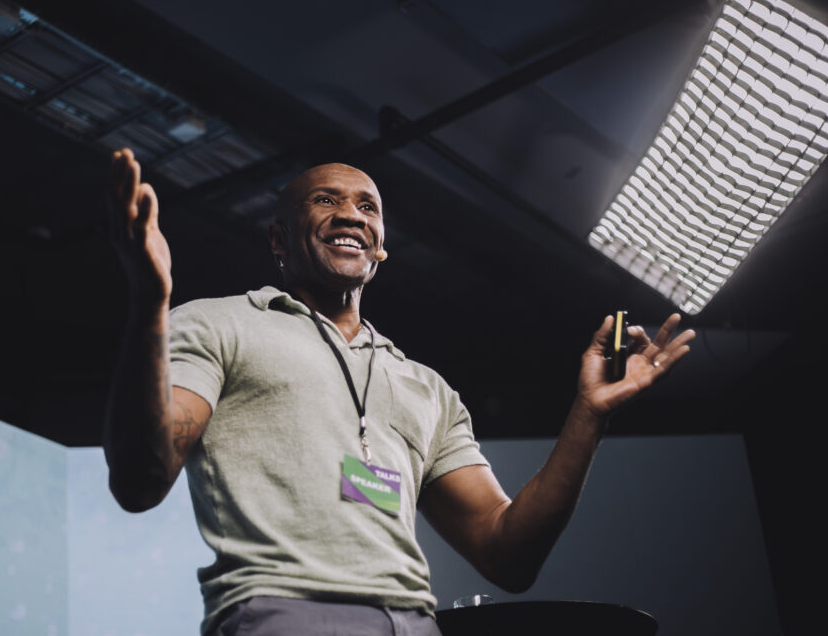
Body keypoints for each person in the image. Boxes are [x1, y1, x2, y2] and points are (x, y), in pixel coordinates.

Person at [102, 148, 695, 636]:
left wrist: (588, 413)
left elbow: (507, 555)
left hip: (415, 625)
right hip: (284, 614)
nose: (350, 215)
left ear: (380, 247)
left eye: (367, 207)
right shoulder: (218, 324)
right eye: (325, 200)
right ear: (279, 240)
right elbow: (140, 480)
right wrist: (149, 303)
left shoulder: (427, 389)